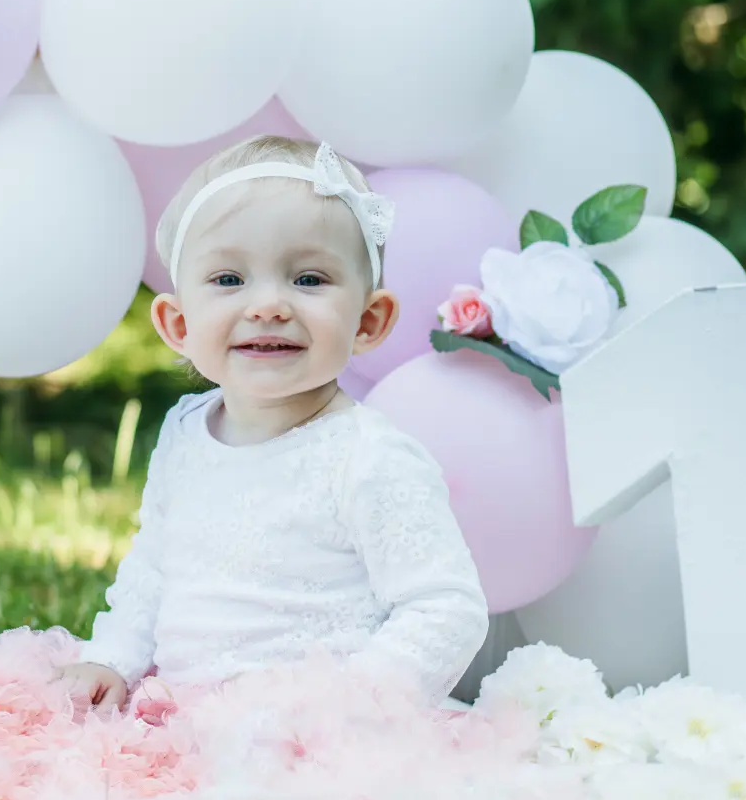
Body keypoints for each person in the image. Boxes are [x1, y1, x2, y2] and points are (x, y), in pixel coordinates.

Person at [44, 135, 491, 712]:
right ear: (178, 324)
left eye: (308, 279)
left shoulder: (368, 457)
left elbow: (444, 607)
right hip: (184, 720)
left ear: (369, 320)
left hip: (312, 735)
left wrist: (350, 709)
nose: (267, 306)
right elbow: (155, 568)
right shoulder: (185, 432)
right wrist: (113, 657)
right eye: (229, 280)